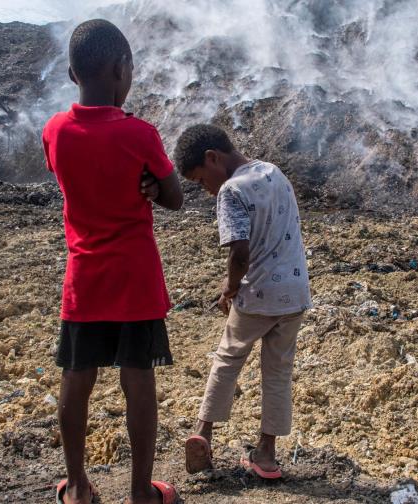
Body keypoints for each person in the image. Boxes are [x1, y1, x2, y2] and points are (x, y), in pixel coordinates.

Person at [41, 19, 183, 504]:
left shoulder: (55, 131)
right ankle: (142, 492)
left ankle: (78, 487)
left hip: (84, 278)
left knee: (77, 377)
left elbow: (74, 176)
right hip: (135, 278)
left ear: (70, 74)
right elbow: (175, 197)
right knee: (137, 377)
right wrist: (149, 184)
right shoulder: (140, 133)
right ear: (122, 69)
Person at [173, 124, 312, 479]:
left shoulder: (231, 190)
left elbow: (240, 251)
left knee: (228, 358)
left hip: (258, 295)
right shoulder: (274, 172)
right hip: (294, 293)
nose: (206, 190)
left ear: (212, 158)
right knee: (278, 372)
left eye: (201, 180)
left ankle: (203, 433)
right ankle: (266, 455)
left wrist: (230, 288)